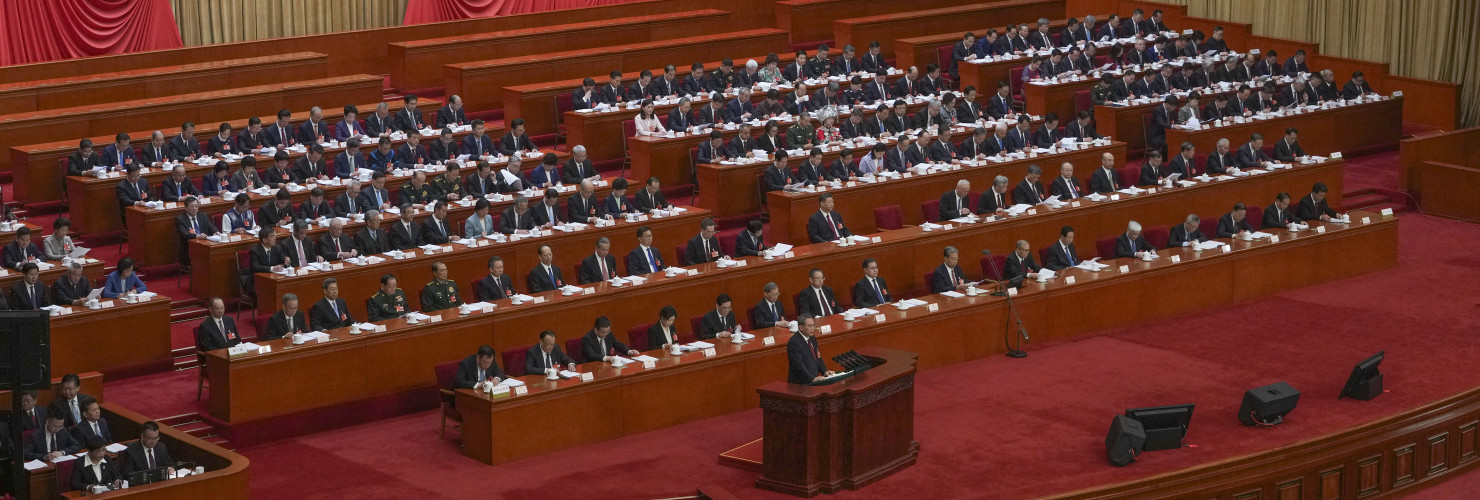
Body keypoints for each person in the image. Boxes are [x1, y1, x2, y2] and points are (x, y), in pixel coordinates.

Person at [788, 314, 835, 384]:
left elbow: (818, 356)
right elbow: (799, 365)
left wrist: (825, 371)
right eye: (810, 326)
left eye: (814, 325)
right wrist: (812, 378)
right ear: (801, 327)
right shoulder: (794, 342)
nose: (813, 328)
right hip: (801, 384)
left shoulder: (812, 338)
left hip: (813, 380)